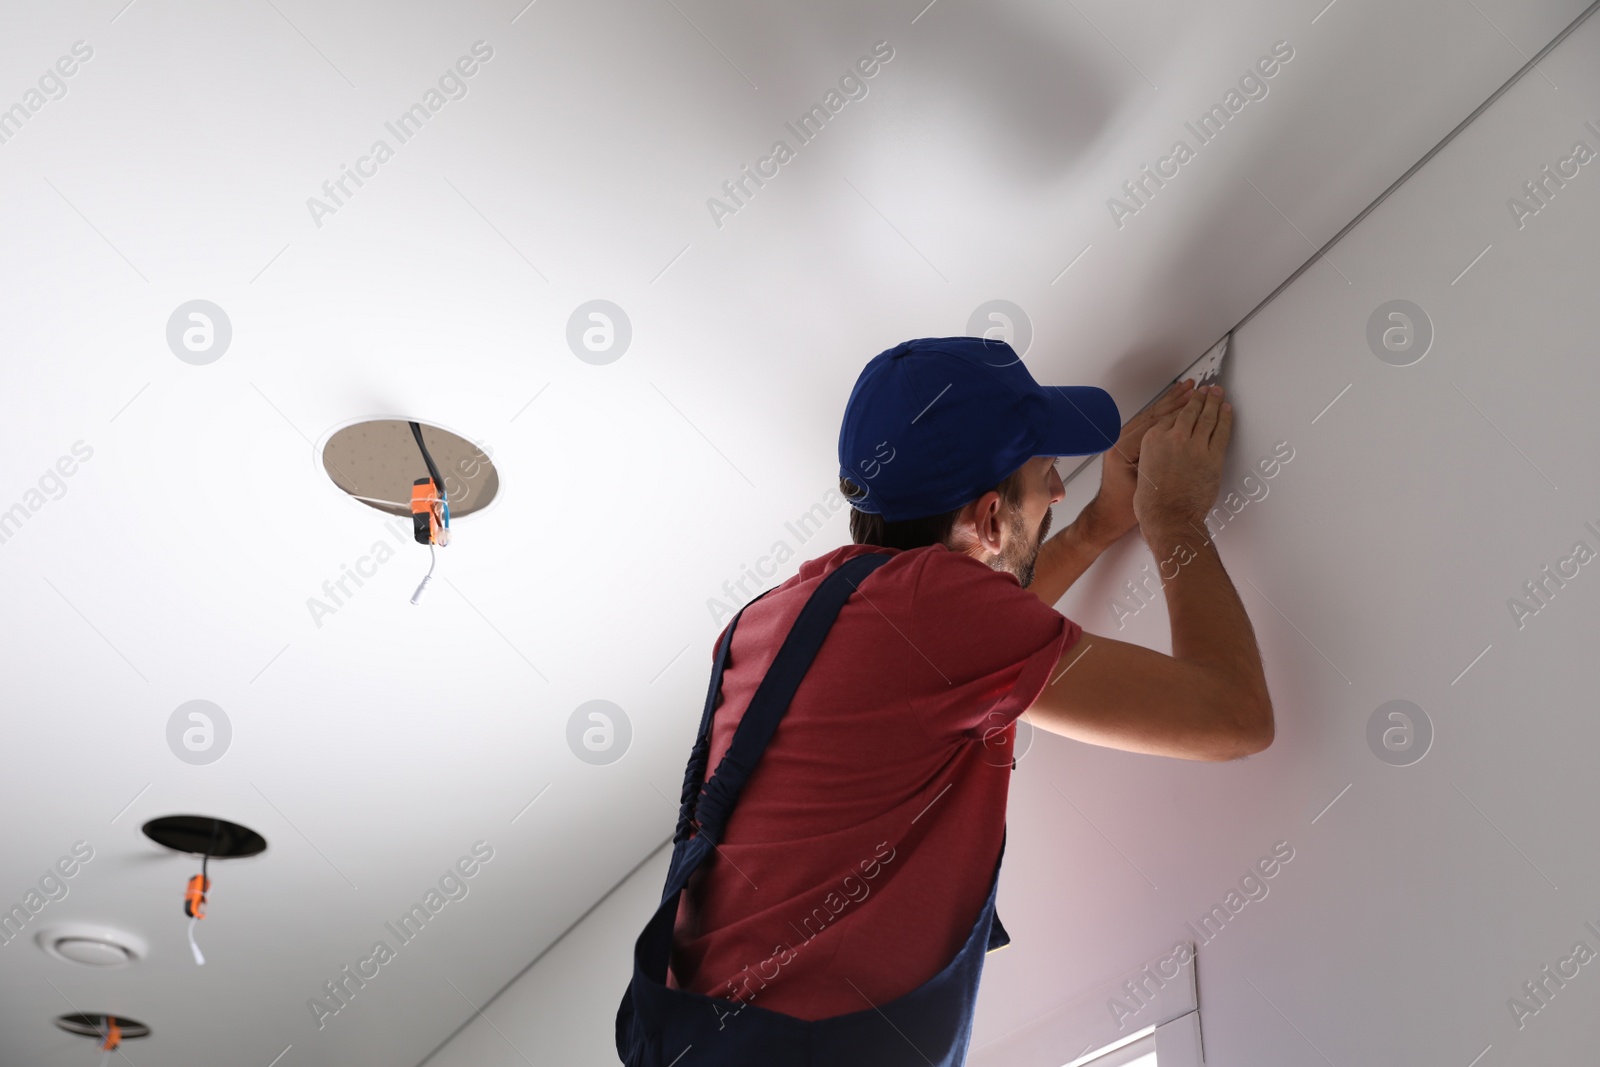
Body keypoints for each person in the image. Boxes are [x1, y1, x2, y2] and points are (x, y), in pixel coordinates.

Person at [617, 336, 1274, 1066]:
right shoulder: (936, 611)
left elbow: (956, 654)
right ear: (990, 521)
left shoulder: (774, 617)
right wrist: (1175, 516)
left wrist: (1094, 527)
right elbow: (1234, 715)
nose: (1060, 490)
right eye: (1045, 473)